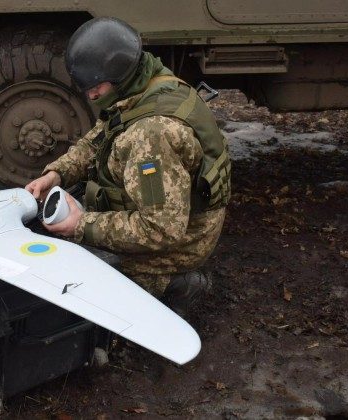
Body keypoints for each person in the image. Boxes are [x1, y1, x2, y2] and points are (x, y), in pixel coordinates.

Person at [25, 17, 231, 317]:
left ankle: (177, 283)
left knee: (80, 280)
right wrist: (57, 173)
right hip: (173, 216)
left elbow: (161, 231)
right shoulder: (148, 84)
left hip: (182, 241)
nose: (91, 95)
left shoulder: (152, 136)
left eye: (97, 86)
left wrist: (81, 226)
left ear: (119, 73)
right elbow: (101, 137)